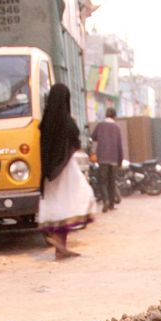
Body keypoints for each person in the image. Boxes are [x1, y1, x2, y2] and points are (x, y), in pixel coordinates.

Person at [38, 83, 94, 259]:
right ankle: (59, 242)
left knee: (57, 206)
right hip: (66, 168)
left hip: (49, 172)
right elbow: (76, 140)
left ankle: (60, 247)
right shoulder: (67, 122)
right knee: (78, 200)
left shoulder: (45, 122)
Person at [91, 107, 123, 212]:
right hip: (114, 159)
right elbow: (119, 146)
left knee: (103, 181)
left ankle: (105, 201)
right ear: (114, 116)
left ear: (106, 115)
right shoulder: (117, 128)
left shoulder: (100, 126)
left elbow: (93, 137)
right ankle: (111, 205)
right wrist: (120, 160)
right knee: (112, 182)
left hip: (102, 158)